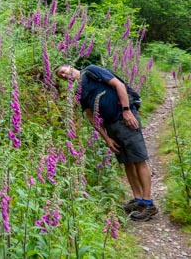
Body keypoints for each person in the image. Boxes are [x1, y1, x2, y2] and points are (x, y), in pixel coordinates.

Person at [55, 63, 158, 221]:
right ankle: (138, 200)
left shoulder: (90, 71)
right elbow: (90, 115)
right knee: (127, 162)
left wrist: (126, 111)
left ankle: (148, 203)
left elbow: (118, 84)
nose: (63, 75)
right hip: (111, 126)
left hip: (125, 119)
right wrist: (106, 138)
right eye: (60, 76)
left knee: (138, 160)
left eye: (63, 71)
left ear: (71, 66)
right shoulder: (78, 91)